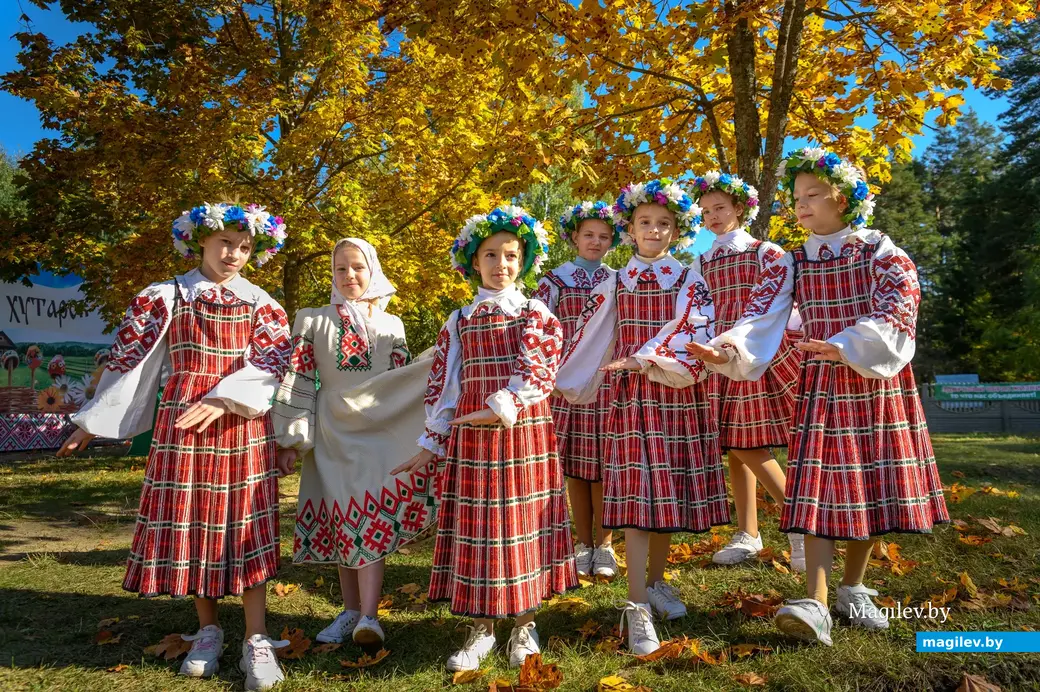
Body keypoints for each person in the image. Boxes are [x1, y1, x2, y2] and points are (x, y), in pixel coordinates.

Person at [687, 148, 949, 645]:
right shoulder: (793, 261)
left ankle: (853, 585)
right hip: (822, 388)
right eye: (796, 197)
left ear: (845, 199)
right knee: (819, 489)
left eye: (813, 195)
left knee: (868, 486)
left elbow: (899, 309)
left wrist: (847, 344)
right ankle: (816, 600)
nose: (801, 205)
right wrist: (729, 348)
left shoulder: (881, 252)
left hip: (874, 383)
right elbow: (762, 314)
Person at [57, 203, 294, 690]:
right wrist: (91, 424)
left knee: (243, 520)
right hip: (184, 419)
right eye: (225, 242)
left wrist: (227, 399)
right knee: (193, 518)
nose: (234, 253)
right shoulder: (166, 296)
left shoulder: (261, 303)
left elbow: (273, 365)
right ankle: (208, 629)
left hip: (240, 422)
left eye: (245, 246)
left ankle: (256, 637)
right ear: (201, 241)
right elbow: (132, 362)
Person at [393, 206, 576, 672]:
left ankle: (525, 624)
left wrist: (502, 408)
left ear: (524, 260)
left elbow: (538, 371)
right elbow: (444, 384)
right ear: (473, 261)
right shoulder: (458, 319)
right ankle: (482, 626)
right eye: (490, 255)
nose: (501, 265)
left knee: (521, 524)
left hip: (521, 433)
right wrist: (432, 439)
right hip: (471, 441)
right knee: (480, 530)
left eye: (511, 256)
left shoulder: (536, 312)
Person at [556, 180, 727, 655]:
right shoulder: (615, 281)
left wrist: (649, 357)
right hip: (631, 399)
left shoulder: (688, 277)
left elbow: (693, 325)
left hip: (674, 392)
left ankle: (655, 581)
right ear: (629, 230)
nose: (655, 230)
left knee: (665, 489)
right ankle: (636, 608)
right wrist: (563, 375)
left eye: (664, 224)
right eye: (645, 222)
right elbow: (591, 335)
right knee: (635, 493)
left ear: (677, 231)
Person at [273, 237, 437, 648]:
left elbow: (401, 380)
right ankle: (349, 612)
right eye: (341, 268)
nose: (350, 276)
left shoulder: (391, 324)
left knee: (370, 518)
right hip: (331, 430)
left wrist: (439, 358)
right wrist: (291, 437)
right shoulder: (311, 320)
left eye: (358, 267)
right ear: (332, 273)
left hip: (377, 429)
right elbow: (297, 380)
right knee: (341, 520)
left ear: (373, 270)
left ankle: (370, 616)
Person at [687, 171, 805, 571]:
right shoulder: (701, 261)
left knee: (745, 442)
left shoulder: (765, 252)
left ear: (740, 208)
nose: (713, 217)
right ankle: (749, 532)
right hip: (717, 358)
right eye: (706, 211)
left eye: (720, 208)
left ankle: (801, 522)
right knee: (735, 447)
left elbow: (782, 303)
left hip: (758, 354)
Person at [533, 201, 619, 581]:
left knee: (604, 467)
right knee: (575, 470)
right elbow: (536, 326)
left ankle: (606, 545)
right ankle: (582, 544)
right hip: (565, 384)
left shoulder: (618, 278)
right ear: (574, 237)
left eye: (603, 236)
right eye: (589, 235)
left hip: (606, 381)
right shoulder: (554, 280)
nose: (595, 242)